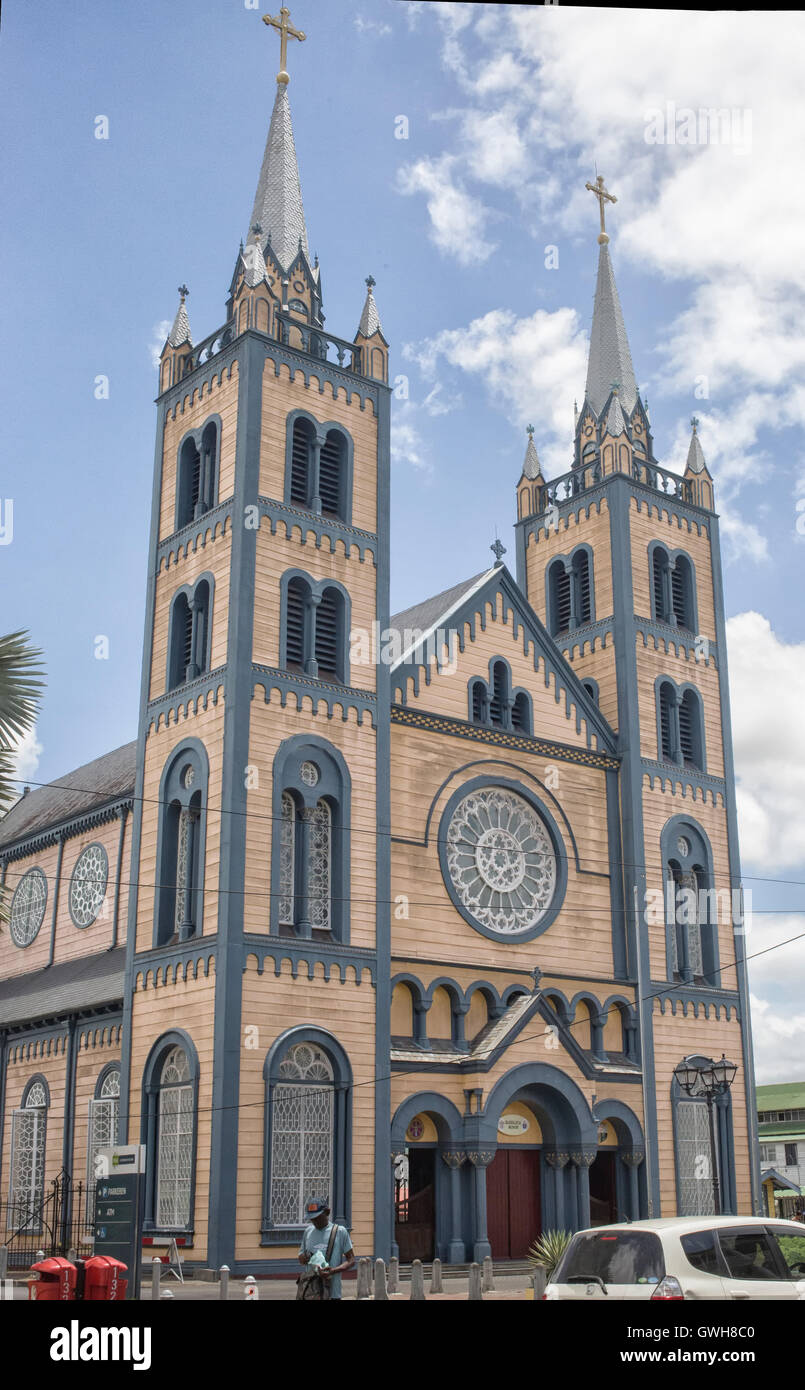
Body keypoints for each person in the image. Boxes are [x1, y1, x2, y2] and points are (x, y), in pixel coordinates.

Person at [298, 1198, 355, 1300]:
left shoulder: (340, 1232)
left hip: (332, 1293)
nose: (314, 1221)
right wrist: (305, 1257)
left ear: (327, 1212)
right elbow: (301, 1259)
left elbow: (351, 1260)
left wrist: (333, 1270)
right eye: (312, 1219)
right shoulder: (308, 1232)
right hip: (311, 1292)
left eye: (317, 1217)